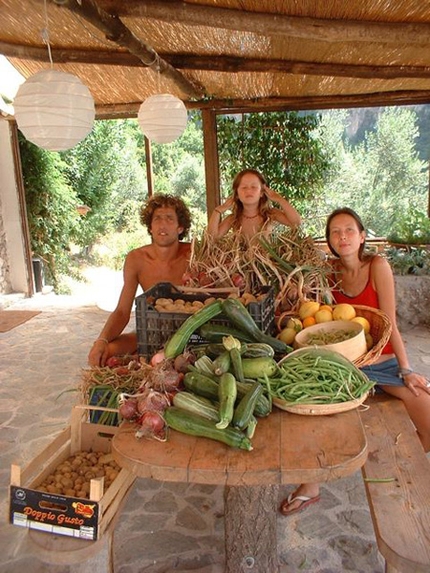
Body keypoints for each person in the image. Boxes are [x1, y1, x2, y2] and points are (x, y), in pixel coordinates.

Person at [279, 207, 430, 516]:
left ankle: (391, 462)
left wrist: (406, 370)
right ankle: (311, 485)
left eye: (349, 230)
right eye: (335, 232)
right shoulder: (328, 272)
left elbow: (390, 322)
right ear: (330, 241)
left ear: (362, 236)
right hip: (345, 367)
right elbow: (317, 318)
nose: (342, 236)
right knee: (310, 410)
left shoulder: (378, 266)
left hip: (384, 362)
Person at [88, 194, 192, 367]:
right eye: (157, 218)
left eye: (169, 218)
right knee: (106, 353)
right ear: (150, 227)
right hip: (151, 331)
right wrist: (102, 341)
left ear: (180, 227)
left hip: (189, 332)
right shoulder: (136, 259)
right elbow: (122, 311)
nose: (162, 224)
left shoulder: (193, 254)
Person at [207, 168, 301, 240]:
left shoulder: (270, 214)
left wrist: (279, 199)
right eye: (244, 187)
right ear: (237, 194)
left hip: (266, 263)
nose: (248, 191)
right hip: (241, 264)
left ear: (261, 192)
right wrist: (219, 210)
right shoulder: (233, 218)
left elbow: (296, 223)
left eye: (254, 187)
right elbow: (212, 238)